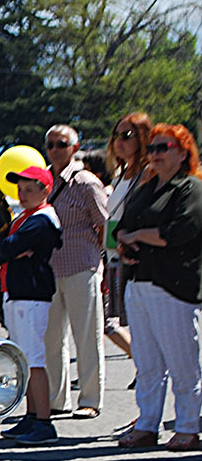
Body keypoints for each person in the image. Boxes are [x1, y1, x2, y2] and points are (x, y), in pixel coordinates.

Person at [114, 124, 202, 451]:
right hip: (139, 282)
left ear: (183, 153)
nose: (155, 154)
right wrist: (126, 239)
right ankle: (147, 424)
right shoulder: (147, 189)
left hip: (173, 285)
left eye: (164, 148)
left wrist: (136, 237)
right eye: (152, 148)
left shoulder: (189, 188)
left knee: (182, 363)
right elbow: (121, 227)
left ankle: (189, 426)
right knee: (148, 364)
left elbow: (178, 232)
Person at [0, 165, 64, 445]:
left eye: (30, 189)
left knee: (33, 359)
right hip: (18, 291)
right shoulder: (29, 217)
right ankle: (32, 416)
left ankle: (44, 421)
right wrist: (10, 249)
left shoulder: (41, 220)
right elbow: (9, 248)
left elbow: (5, 248)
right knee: (25, 358)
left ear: (46, 191)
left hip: (30, 294)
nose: (23, 194)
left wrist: (9, 249)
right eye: (20, 189)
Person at [41, 124, 108, 419]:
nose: (55, 149)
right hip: (50, 269)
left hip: (82, 265)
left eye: (62, 144)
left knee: (86, 335)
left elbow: (104, 224)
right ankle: (57, 400)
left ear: (75, 147)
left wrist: (102, 261)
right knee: (51, 338)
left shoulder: (86, 182)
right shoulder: (43, 180)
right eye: (51, 144)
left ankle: (91, 399)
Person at [103, 113, 150, 370]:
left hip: (134, 260)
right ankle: (145, 367)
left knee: (135, 326)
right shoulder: (120, 175)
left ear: (143, 138)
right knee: (114, 324)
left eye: (127, 135)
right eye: (116, 135)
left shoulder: (147, 174)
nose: (118, 141)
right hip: (113, 259)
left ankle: (147, 367)